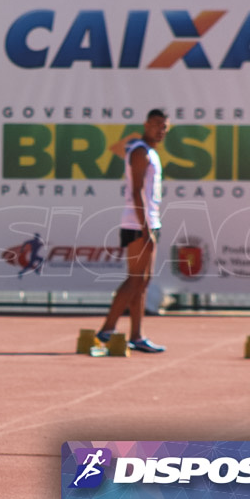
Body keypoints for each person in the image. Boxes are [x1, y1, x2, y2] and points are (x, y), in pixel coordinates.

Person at [96, 108, 171, 354]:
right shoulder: (139, 151)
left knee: (144, 282)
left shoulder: (151, 152)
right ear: (146, 124)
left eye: (164, 126)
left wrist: (151, 224)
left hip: (151, 221)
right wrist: (144, 226)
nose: (160, 130)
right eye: (156, 124)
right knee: (135, 279)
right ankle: (106, 330)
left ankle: (137, 335)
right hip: (137, 223)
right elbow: (137, 189)